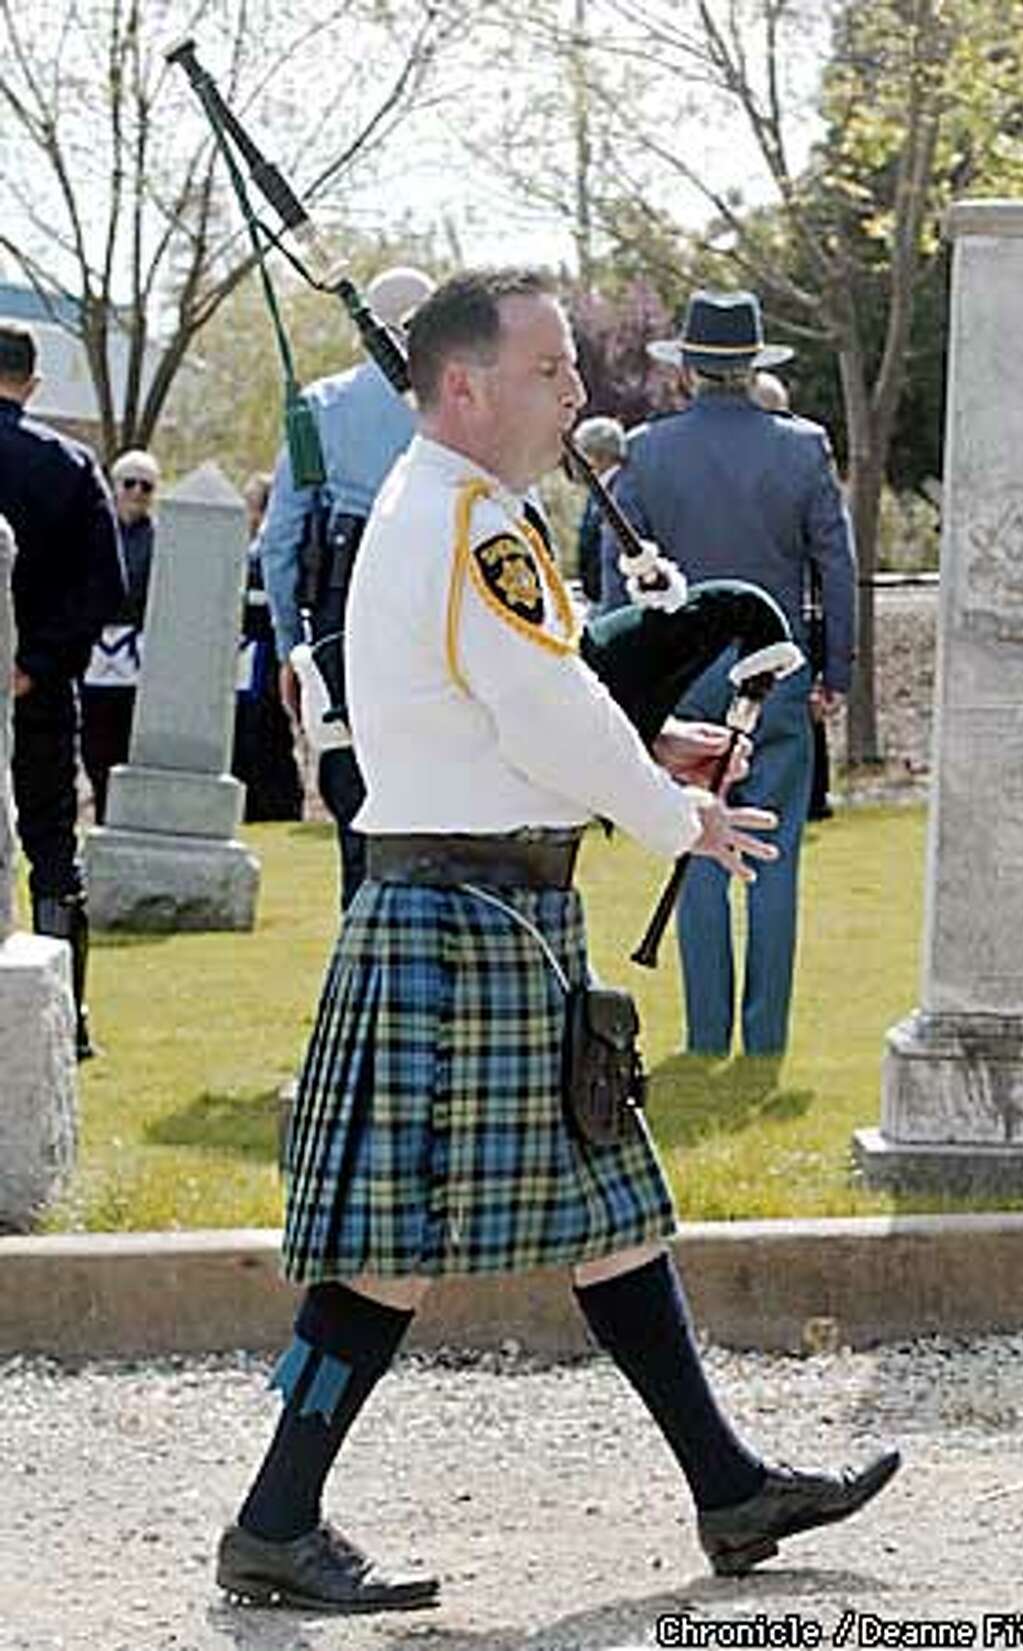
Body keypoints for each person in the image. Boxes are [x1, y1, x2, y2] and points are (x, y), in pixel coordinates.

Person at [214, 269, 898, 1614]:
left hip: (486, 906)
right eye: (550, 371)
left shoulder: (461, 509)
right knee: (390, 1245)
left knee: (614, 1213)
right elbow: (537, 703)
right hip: (465, 914)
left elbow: (530, 695)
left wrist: (646, 745)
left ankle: (730, 1489)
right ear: (462, 387)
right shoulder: (470, 520)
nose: (579, 394)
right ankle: (274, 1519)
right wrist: (673, 814)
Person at [601, 290, 856, 1058]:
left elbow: (626, 577)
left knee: (695, 845)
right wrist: (834, 666)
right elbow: (833, 566)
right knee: (775, 858)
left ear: (689, 370)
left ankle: (708, 1032)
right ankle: (765, 1035)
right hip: (772, 664)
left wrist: (624, 680)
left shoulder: (648, 451)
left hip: (682, 675)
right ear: (751, 367)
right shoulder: (803, 445)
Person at [258, 264, 434, 908]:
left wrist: (287, 646)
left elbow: (280, 542)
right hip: (433, 603)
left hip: (345, 608)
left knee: (355, 803)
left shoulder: (321, 408)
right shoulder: (462, 407)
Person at [0, 323, 125, 1058]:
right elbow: (104, 585)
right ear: (34, 384)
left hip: (29, 676)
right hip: (38, 688)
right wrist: (40, 663)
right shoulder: (71, 465)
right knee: (51, 847)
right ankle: (64, 1017)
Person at [750, 370, 834, 822]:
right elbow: (832, 564)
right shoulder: (803, 456)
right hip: (784, 647)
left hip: (702, 663)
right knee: (778, 826)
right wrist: (834, 668)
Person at [79, 446, 159, 823]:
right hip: (94, 645)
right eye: (130, 484)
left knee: (127, 736)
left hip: (136, 650)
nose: (137, 493)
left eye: (146, 486)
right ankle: (98, 809)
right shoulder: (93, 529)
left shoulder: (160, 540)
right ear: (115, 487)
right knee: (93, 737)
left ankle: (123, 815)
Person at [231, 472, 304, 822]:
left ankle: (275, 806)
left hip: (265, 655)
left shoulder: (268, 552)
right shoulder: (244, 551)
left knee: (266, 734)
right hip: (245, 659)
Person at [570, 413, 627, 609]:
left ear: (598, 455)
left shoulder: (622, 493)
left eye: (578, 452)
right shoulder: (598, 491)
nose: (572, 461)